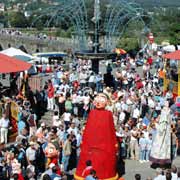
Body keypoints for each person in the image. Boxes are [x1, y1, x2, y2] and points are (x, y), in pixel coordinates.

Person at [75, 93, 118, 180]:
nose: (98, 102)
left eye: (102, 99)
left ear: (107, 102)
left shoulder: (108, 114)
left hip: (104, 146)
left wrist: (114, 143)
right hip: (91, 146)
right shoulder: (92, 113)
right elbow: (87, 130)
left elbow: (111, 130)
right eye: (97, 99)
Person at [150, 102, 172, 168]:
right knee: (163, 148)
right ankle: (162, 164)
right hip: (166, 135)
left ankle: (161, 164)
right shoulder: (167, 116)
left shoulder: (164, 118)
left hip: (163, 136)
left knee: (161, 148)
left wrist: (156, 125)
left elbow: (161, 130)